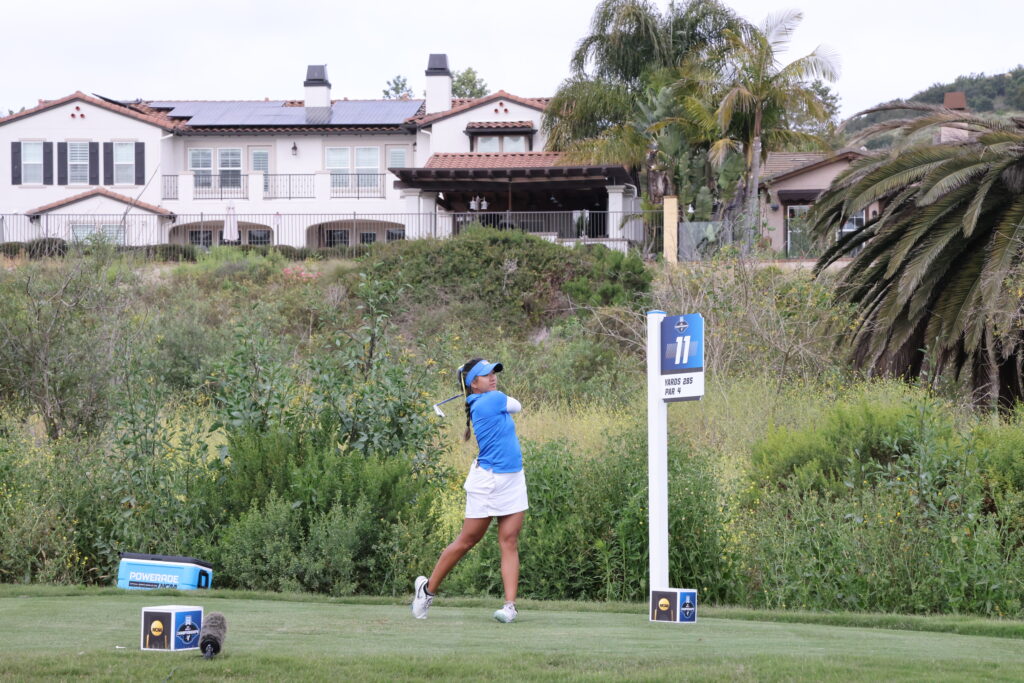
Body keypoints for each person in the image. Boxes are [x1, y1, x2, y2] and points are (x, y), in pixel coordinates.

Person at [412, 358, 528, 623]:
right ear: (473, 383)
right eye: (486, 375)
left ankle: (510, 606)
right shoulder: (492, 400)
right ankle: (427, 590)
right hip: (487, 481)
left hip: (512, 478)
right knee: (467, 541)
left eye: (494, 373)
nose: (493, 377)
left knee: (509, 541)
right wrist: (495, 394)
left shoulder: (487, 399)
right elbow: (518, 406)